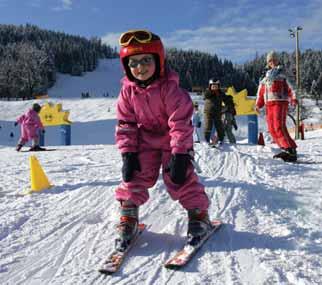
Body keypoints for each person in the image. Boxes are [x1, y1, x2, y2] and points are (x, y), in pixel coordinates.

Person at [114, 29, 212, 249]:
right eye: (134, 63)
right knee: (135, 175)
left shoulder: (172, 91)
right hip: (145, 142)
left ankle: (198, 214)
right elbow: (125, 124)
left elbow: (180, 125)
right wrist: (128, 153)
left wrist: (180, 154)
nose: (140, 68)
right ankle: (128, 214)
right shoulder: (127, 93)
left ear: (159, 60)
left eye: (146, 60)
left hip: (172, 142)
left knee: (180, 178)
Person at [255, 51, 298, 162]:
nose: (272, 62)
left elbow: (291, 85)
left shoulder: (282, 73)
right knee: (272, 128)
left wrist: (294, 97)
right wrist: (258, 104)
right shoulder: (265, 77)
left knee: (279, 126)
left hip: (280, 102)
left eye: (274, 60)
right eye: (270, 60)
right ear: (268, 63)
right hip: (269, 104)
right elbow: (261, 92)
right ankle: (286, 148)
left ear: (277, 60)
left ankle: (289, 150)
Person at [203, 79, 235, 145]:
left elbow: (226, 99)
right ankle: (206, 140)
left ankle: (221, 140)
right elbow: (205, 95)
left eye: (216, 86)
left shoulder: (220, 94)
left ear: (218, 86)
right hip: (208, 112)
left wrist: (229, 100)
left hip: (217, 112)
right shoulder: (208, 92)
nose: (214, 87)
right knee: (208, 125)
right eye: (213, 86)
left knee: (219, 126)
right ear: (210, 86)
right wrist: (211, 92)